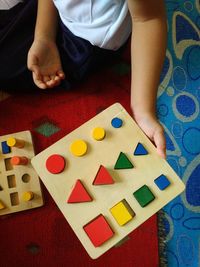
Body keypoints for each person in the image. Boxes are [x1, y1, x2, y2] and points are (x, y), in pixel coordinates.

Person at [0, 0, 167, 159]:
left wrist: (143, 110)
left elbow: (148, 19)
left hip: (87, 39)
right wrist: (43, 37)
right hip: (59, 11)